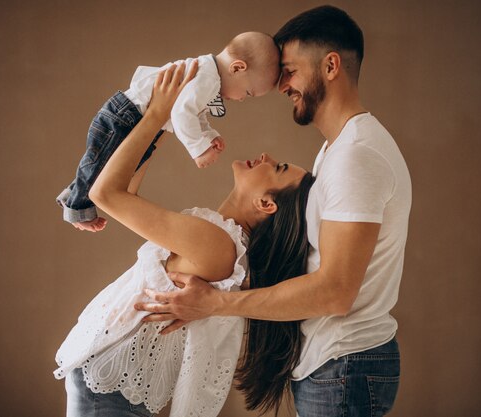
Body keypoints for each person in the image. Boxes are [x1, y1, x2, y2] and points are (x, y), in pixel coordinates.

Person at [136, 5, 412, 417]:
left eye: (291, 70)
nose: (282, 84)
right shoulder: (338, 151)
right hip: (337, 367)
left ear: (331, 65)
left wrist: (216, 303)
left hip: (344, 366)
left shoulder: (356, 156)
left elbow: (335, 292)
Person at [54, 61, 313, 417]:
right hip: (109, 385)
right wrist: (161, 123)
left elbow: (107, 194)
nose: (268, 157)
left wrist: (156, 112)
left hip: (109, 390)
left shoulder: (218, 245)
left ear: (266, 204)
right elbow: (125, 191)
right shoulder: (220, 240)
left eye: (279, 168)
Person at [56, 31, 280, 232]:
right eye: (248, 93)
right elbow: (181, 115)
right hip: (124, 116)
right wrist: (199, 149)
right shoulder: (208, 79)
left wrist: (209, 135)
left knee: (113, 165)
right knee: (100, 162)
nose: (241, 99)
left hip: (135, 118)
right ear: (238, 68)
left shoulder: (208, 76)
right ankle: (77, 207)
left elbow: (194, 114)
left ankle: (73, 193)